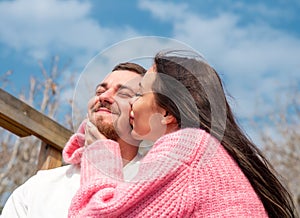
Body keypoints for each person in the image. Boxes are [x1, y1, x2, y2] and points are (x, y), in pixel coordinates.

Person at [66, 50, 297, 217]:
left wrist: (100, 154)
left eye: (139, 94)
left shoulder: (186, 146)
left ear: (166, 112)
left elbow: (97, 215)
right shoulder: (205, 151)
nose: (132, 105)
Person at [0, 62, 146, 218]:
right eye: (100, 91)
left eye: (123, 94)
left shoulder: (159, 190)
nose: (103, 97)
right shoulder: (38, 187)